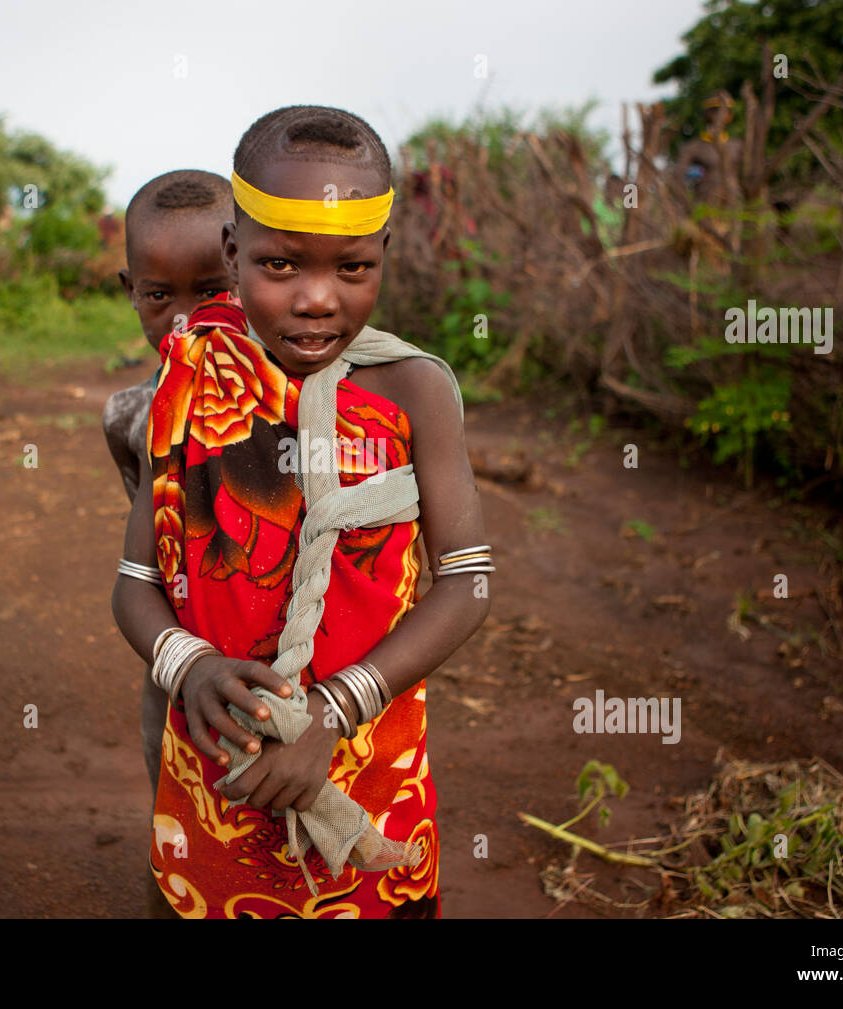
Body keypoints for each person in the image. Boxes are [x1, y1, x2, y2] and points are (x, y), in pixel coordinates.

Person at [112, 105, 492, 918]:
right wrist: (193, 668)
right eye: (281, 265)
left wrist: (334, 709)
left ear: (384, 255)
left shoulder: (414, 390)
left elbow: (468, 583)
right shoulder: (189, 384)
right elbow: (135, 583)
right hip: (219, 758)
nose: (318, 301)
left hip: (367, 753)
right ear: (232, 251)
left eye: (351, 269)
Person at [98, 170, 233, 914]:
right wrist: (183, 664)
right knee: (180, 820)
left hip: (298, 672)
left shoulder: (311, 407)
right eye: (158, 295)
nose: (183, 321)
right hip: (177, 668)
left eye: (211, 289)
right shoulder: (131, 417)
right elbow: (142, 569)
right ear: (129, 287)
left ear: (249, 264)